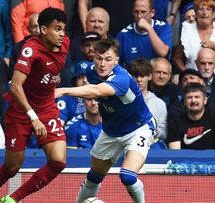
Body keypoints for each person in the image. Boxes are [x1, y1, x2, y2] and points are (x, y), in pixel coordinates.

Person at [0, 8, 69, 203]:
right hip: (21, 110)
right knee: (12, 167)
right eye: (57, 29)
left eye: (64, 29)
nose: (62, 34)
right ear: (43, 30)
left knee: (58, 161)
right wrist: (33, 117)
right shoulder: (30, 50)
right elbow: (16, 86)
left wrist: (51, 80)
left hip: (46, 107)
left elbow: (52, 71)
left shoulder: (66, 44)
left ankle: (13, 198)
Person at [55, 39, 155, 203]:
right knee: (94, 176)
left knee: (128, 176)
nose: (102, 64)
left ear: (116, 60)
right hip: (111, 131)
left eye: (108, 59)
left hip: (138, 128)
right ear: (93, 58)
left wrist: (63, 90)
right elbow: (92, 92)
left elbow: (96, 90)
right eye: (99, 58)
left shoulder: (121, 79)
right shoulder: (91, 72)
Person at [173, 0, 215, 80]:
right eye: (200, 9)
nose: (204, 12)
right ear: (196, 13)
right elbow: (177, 58)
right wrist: (187, 73)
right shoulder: (188, 30)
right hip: (193, 81)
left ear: (213, 14)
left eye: (208, 9)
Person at [167, 83, 215, 150]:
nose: (193, 101)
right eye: (189, 97)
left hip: (212, 160)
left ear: (204, 100)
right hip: (186, 160)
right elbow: (175, 155)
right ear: (184, 102)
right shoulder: (176, 123)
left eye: (197, 97)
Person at [116, 0, 172, 67]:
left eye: (143, 12)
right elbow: (117, 64)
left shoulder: (163, 27)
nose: (139, 16)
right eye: (136, 12)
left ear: (152, 13)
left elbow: (163, 53)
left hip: (157, 74)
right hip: (134, 75)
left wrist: (149, 29)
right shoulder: (123, 35)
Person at [129, 58, 167, 141]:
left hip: (152, 146)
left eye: (142, 76)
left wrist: (150, 127)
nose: (139, 80)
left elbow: (164, 134)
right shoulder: (122, 101)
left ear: (150, 76)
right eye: (135, 76)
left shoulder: (159, 103)